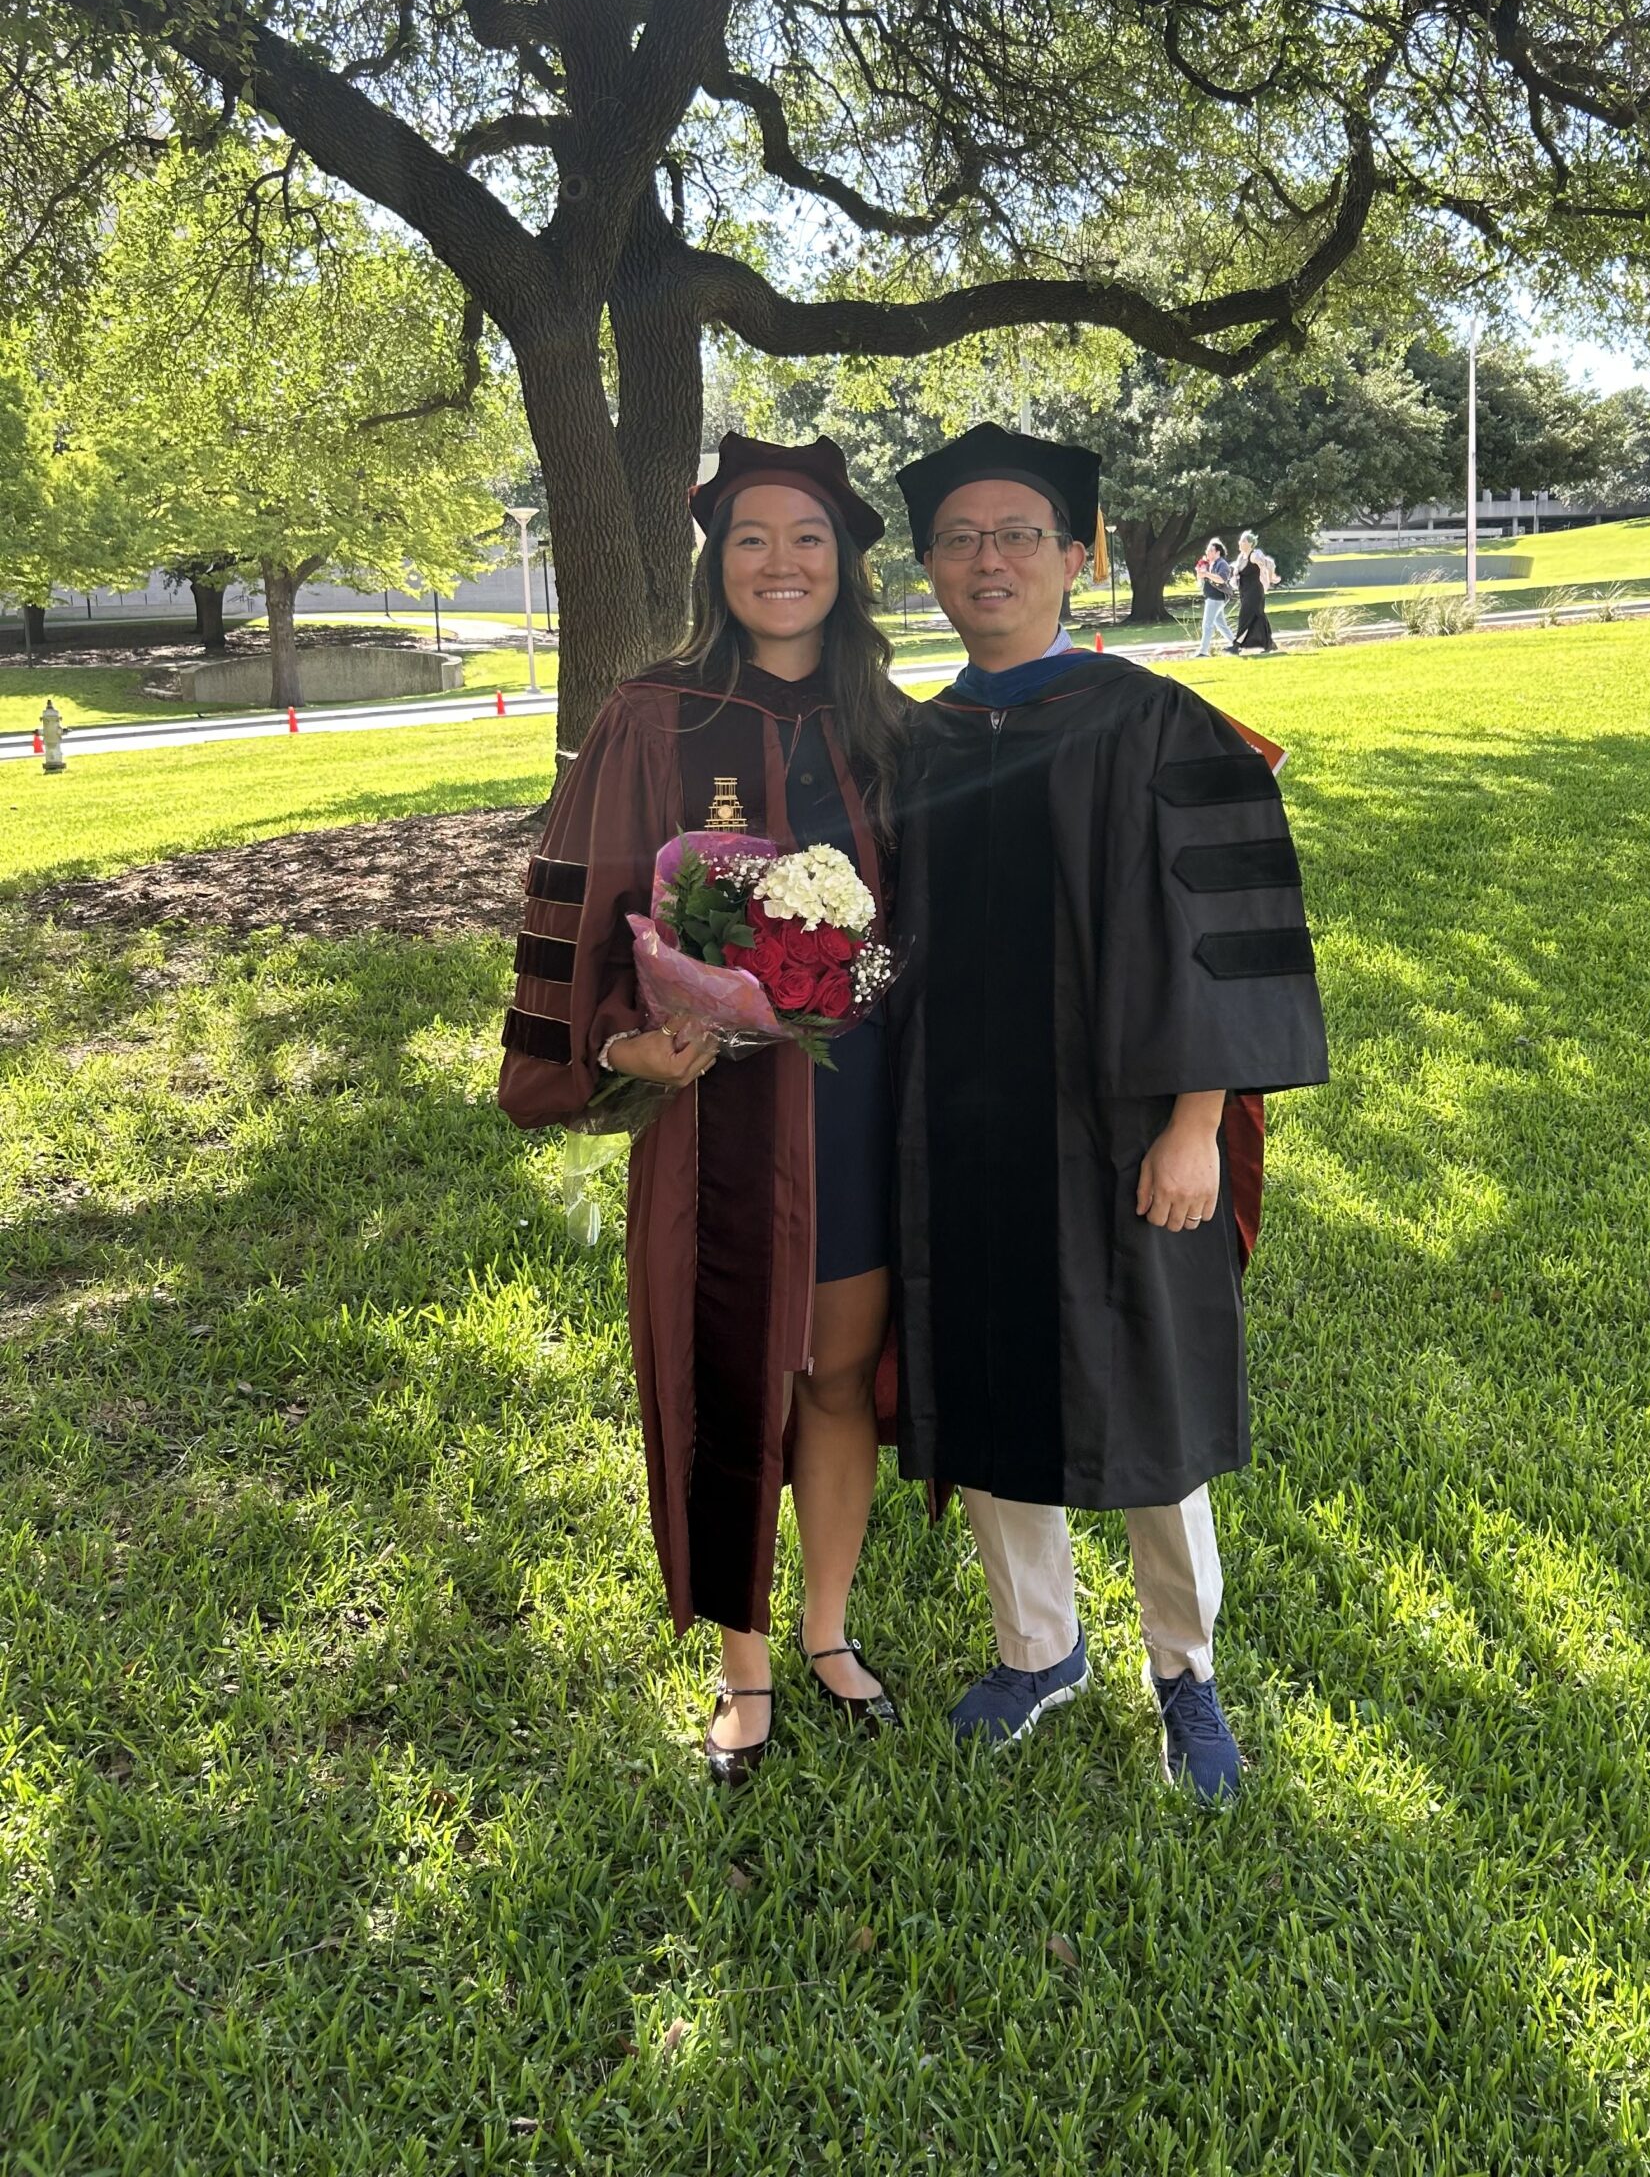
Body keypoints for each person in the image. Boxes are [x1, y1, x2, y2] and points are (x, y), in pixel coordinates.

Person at [888, 422, 1328, 1801]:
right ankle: (1038, 1648)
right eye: (960, 538)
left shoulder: (1158, 723)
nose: (990, 558)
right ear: (929, 570)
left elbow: (1228, 932)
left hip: (1134, 1131)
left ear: (1076, 555)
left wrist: (1200, 1122)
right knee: (993, 1376)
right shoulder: (911, 742)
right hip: (962, 1127)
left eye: (1019, 533)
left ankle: (1185, 1674)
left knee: (1152, 1396)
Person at [499, 432, 907, 1785]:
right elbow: (585, 891)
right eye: (750, 538)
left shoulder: (892, 722)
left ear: (846, 561)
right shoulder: (652, 712)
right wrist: (624, 1038)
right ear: (715, 562)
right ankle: (746, 1667)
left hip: (859, 1109)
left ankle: (833, 1634)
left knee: (839, 1372)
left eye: (807, 538)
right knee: (733, 1373)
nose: (780, 562)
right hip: (715, 1110)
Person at [1230, 530, 1276, 656]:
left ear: (1250, 544)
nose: (1240, 542)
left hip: (1255, 591)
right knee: (1259, 616)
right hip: (1245, 592)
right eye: (1240, 540)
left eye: (1243, 541)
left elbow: (1268, 564)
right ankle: (1270, 644)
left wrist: (1271, 577)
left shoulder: (1254, 556)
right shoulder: (1240, 558)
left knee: (1244, 615)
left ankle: (1236, 645)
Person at [1195, 537, 1234, 655]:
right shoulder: (1211, 564)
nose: (1208, 552)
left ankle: (1203, 651)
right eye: (1207, 550)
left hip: (1216, 597)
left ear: (1218, 552)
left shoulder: (1222, 564)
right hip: (1211, 597)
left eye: (1211, 550)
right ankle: (1235, 644)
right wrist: (1200, 572)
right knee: (1220, 623)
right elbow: (1202, 579)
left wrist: (1206, 573)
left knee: (1207, 624)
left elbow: (1222, 579)